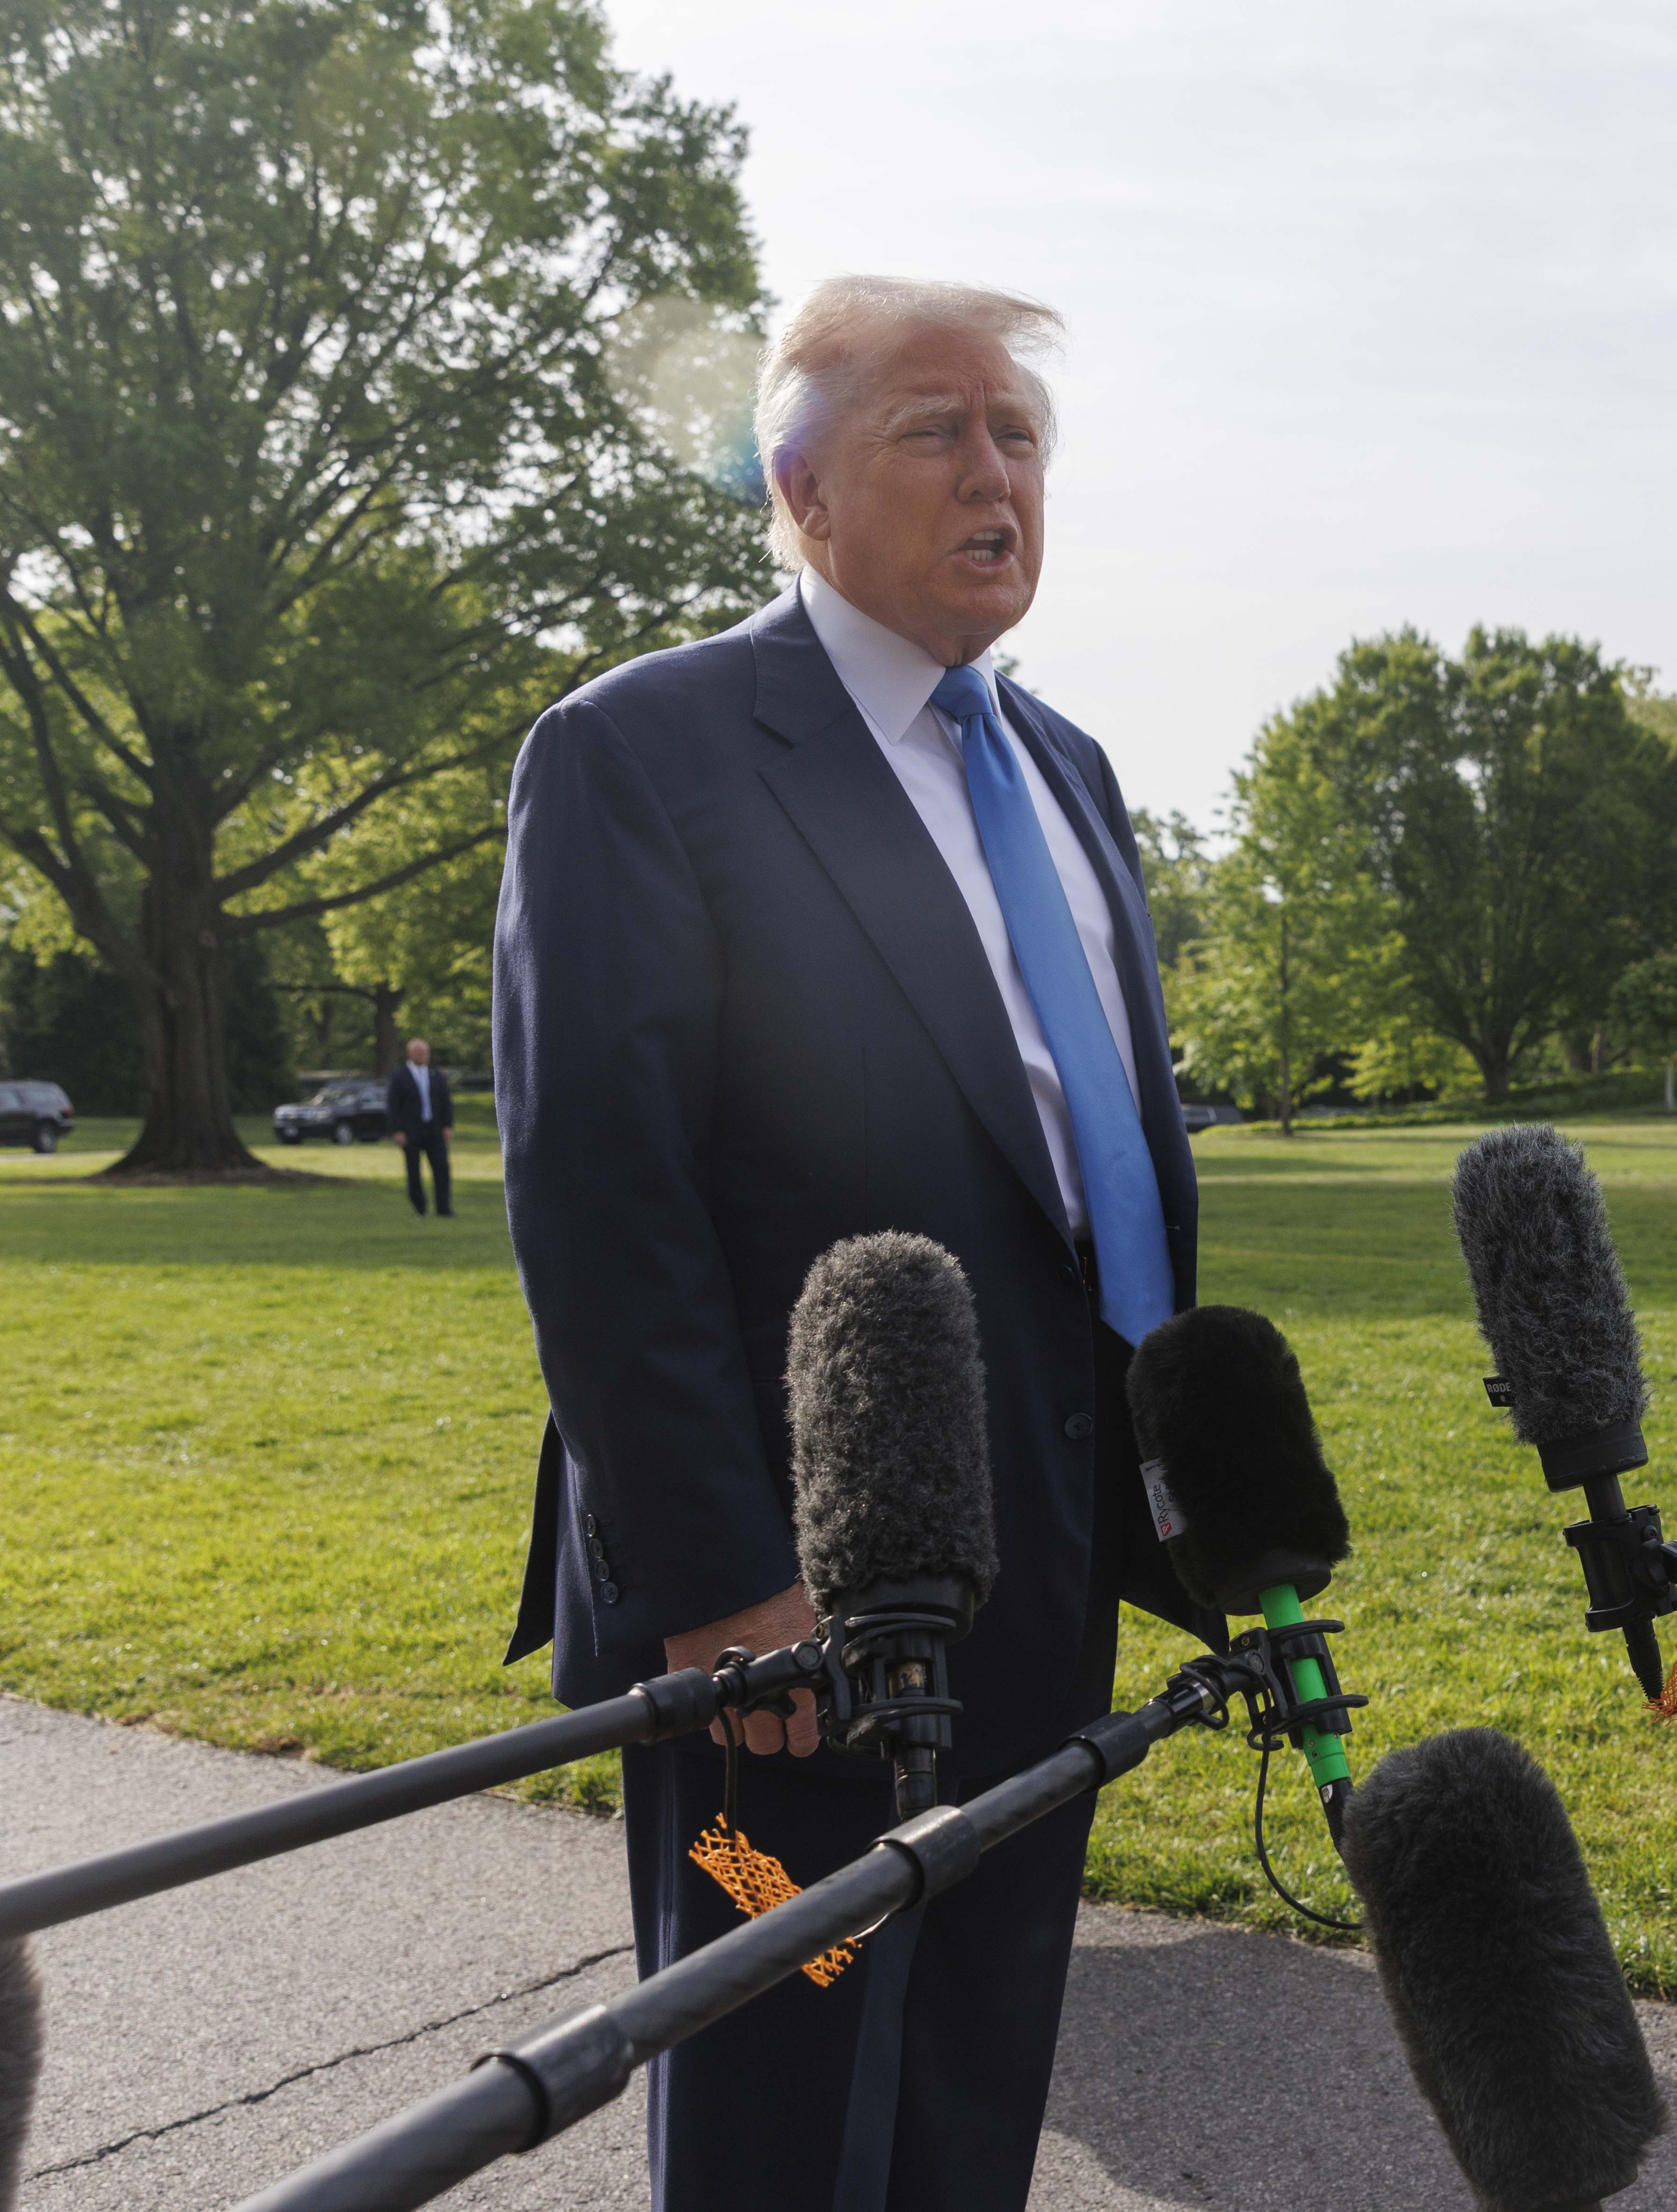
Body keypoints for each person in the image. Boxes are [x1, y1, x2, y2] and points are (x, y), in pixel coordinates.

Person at [492, 276, 1217, 2211]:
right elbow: (599, 1198)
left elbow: (1096, 1175)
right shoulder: (640, 752)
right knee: (784, 2062)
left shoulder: (1065, 768)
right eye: (939, 430)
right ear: (800, 490)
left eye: (1022, 437)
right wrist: (725, 1591)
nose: (999, 475)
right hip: (780, 1615)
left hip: (1040, 1574)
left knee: (975, 2064)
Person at [386, 1038, 456, 1216]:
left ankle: (444, 1208)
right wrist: (397, 1130)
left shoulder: (436, 1075)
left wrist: (448, 1125)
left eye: (426, 1053)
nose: (424, 1056)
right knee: (414, 1171)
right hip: (411, 1132)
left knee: (442, 1169)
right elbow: (393, 1106)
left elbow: (446, 1102)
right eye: (420, 1053)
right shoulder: (399, 1077)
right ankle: (420, 1208)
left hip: (434, 1129)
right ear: (410, 1054)